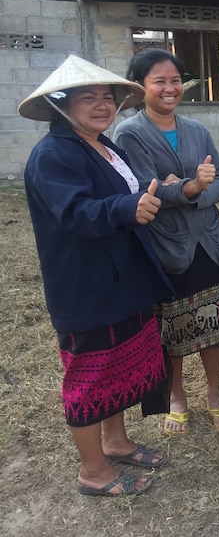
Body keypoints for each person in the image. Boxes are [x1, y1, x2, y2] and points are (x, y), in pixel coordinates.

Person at [19, 55, 172, 496]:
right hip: (86, 286)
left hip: (121, 280)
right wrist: (128, 207)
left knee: (119, 368)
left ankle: (116, 441)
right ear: (61, 105)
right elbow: (77, 212)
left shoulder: (104, 145)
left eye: (108, 97)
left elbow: (129, 189)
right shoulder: (53, 154)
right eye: (89, 98)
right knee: (90, 376)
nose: (102, 105)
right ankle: (92, 470)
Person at [114, 49, 219, 436]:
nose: (170, 88)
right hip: (169, 247)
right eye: (159, 81)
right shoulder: (130, 133)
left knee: (213, 321)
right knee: (172, 327)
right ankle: (177, 395)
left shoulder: (197, 130)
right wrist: (193, 185)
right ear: (140, 87)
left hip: (210, 242)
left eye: (175, 80)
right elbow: (146, 190)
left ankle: (214, 393)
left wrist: (189, 189)